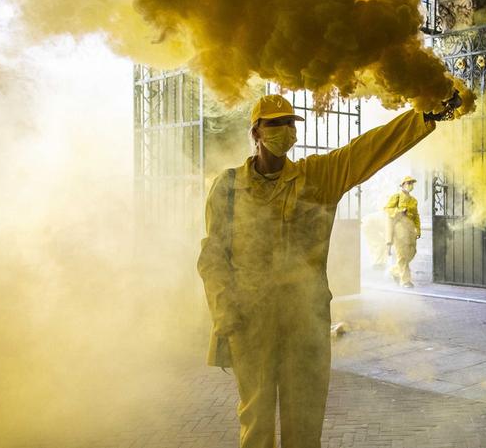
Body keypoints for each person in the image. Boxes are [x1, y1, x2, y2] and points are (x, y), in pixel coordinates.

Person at [197, 93, 460, 448]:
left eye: (291, 123)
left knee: (305, 427)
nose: (286, 130)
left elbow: (367, 150)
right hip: (250, 323)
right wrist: (224, 310)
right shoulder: (228, 188)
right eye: (275, 123)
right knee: (256, 424)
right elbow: (213, 255)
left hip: (305, 323)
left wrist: (424, 115)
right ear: (256, 132)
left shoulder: (316, 177)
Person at [385, 176, 420, 288]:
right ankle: (405, 281)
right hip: (399, 230)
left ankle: (394, 271)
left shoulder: (414, 200)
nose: (410, 185)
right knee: (402, 255)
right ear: (402, 185)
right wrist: (399, 211)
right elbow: (387, 209)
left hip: (410, 230)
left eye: (411, 183)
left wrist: (418, 229)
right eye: (408, 183)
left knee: (412, 252)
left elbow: (416, 216)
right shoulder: (397, 197)